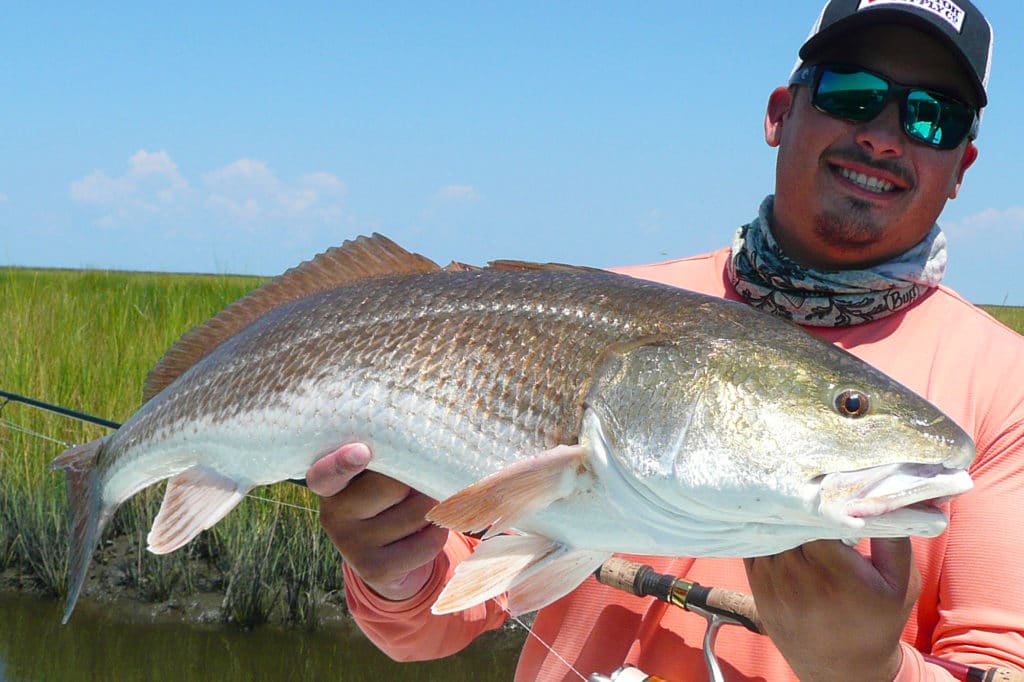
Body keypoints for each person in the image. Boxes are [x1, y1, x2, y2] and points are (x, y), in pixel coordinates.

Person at [306, 1, 1024, 679]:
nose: (883, 134)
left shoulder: (1002, 386)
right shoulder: (601, 307)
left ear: (962, 166)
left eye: (934, 117)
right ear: (779, 114)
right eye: (851, 91)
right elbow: (440, 615)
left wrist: (873, 671)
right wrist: (394, 574)